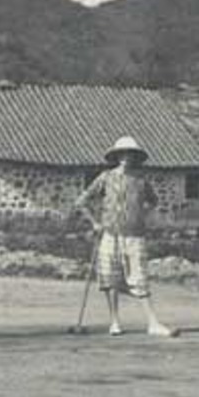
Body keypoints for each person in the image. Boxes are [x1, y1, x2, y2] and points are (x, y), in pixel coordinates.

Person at [76, 136, 178, 338]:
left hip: (135, 236)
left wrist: (142, 217)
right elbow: (82, 201)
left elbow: (153, 202)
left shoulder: (141, 180)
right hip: (110, 234)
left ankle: (153, 323)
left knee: (139, 277)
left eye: (130, 154)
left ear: (135, 157)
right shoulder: (106, 177)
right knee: (110, 277)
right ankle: (114, 322)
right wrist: (95, 222)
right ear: (117, 156)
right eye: (122, 154)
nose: (126, 158)